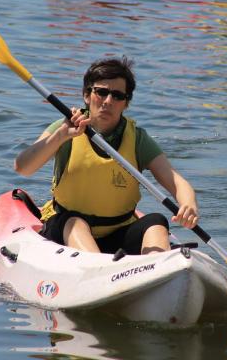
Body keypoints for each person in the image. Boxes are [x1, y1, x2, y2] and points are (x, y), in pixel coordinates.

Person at [14, 56, 198, 255]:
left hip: (118, 231)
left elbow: (176, 181)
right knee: (75, 222)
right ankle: (96, 269)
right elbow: (23, 167)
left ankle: (157, 269)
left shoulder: (137, 139)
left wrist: (188, 204)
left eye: (118, 96)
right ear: (87, 95)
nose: (108, 101)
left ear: (125, 104)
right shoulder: (65, 127)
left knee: (156, 221)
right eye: (101, 92)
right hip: (66, 228)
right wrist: (60, 137)